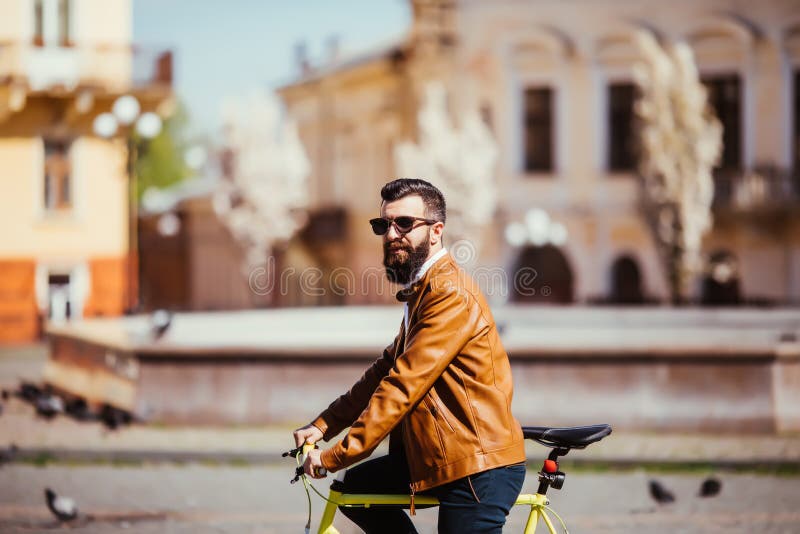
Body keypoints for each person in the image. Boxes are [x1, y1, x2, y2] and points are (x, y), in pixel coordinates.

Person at [293, 178, 526, 533]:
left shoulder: (449, 292)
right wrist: (323, 425)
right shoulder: (422, 290)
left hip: (477, 464)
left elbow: (403, 385)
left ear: (436, 231)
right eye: (383, 225)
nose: (391, 234)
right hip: (440, 453)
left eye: (404, 224)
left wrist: (334, 456)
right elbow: (384, 371)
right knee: (358, 490)